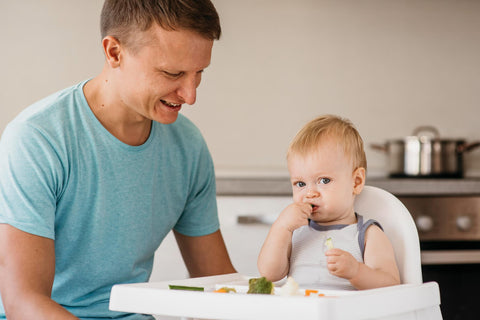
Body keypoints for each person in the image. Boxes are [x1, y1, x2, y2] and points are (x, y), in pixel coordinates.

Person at [0, 0, 236, 319]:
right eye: (172, 73)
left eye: (199, 73)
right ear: (114, 52)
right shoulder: (37, 140)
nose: (190, 95)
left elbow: (218, 283)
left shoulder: (188, 147)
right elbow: (23, 302)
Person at [257, 115, 400, 290]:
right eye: (300, 184)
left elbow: (390, 283)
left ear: (355, 182)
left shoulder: (367, 234)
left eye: (324, 180)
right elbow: (269, 274)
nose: (310, 193)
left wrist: (356, 271)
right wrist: (281, 227)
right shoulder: (295, 231)